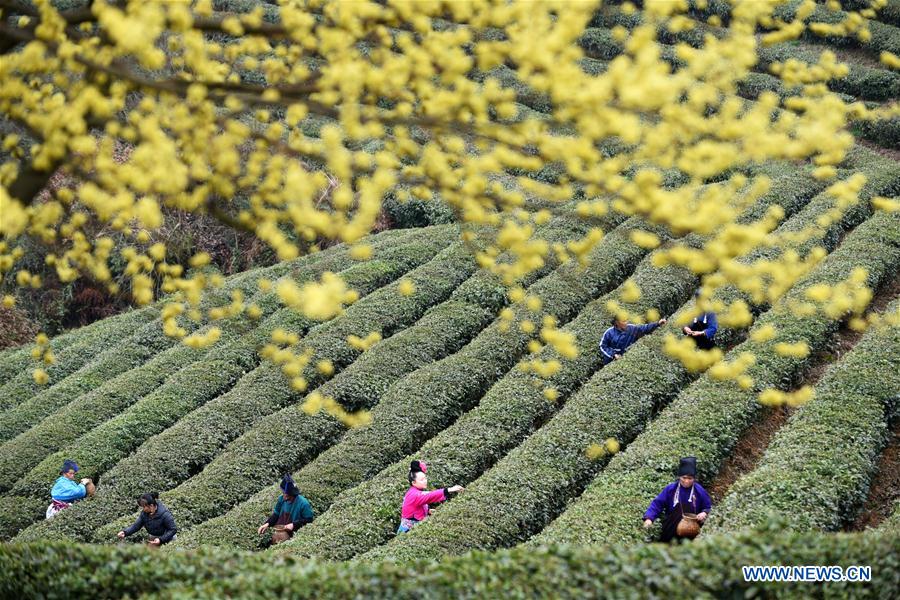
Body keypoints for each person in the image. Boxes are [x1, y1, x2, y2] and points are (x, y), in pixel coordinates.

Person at [643, 457, 712, 543]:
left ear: (694, 478)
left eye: (690, 478)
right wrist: (649, 518)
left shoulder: (699, 491)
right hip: (670, 531)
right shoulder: (671, 489)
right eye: (684, 478)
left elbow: (707, 507)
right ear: (679, 477)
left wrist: (704, 513)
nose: (686, 481)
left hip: (691, 532)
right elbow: (657, 504)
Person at [397, 460, 464, 534]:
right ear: (414, 482)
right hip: (407, 531)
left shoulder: (414, 490)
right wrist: (449, 490)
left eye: (425, 478)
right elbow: (430, 496)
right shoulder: (414, 494)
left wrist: (428, 511)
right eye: (422, 480)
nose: (425, 481)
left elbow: (417, 506)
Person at [257, 474, 314, 545]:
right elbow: (276, 514)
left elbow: (309, 520)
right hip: (280, 531)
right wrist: (267, 524)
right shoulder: (281, 499)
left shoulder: (303, 503)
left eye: (287, 495)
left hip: (294, 535)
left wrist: (294, 525)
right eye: (283, 493)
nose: (284, 496)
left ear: (292, 495)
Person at [600, 315, 667, 365]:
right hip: (611, 361)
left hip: (626, 360)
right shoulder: (609, 332)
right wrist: (613, 355)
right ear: (617, 322)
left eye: (626, 320)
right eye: (623, 321)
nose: (626, 323)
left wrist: (657, 323)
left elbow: (644, 328)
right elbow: (603, 346)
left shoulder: (631, 328)